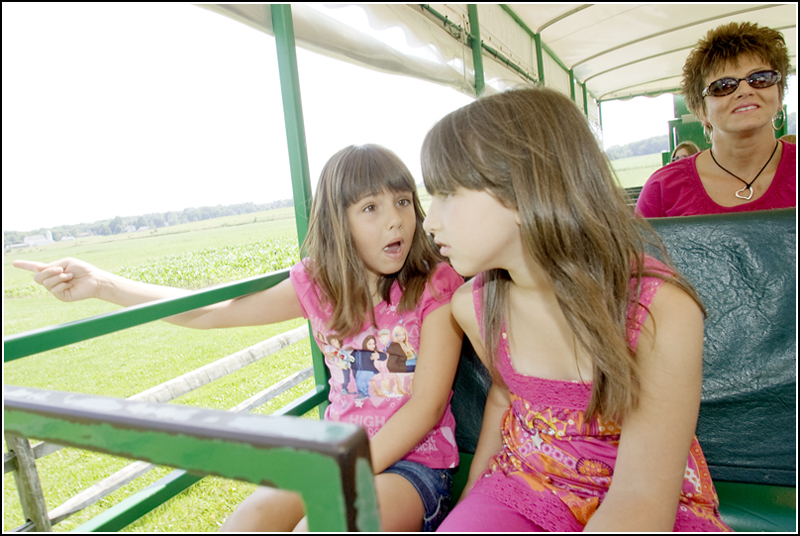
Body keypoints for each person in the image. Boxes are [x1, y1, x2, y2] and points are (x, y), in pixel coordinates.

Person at [14, 144, 464, 532]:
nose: (396, 221)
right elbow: (213, 313)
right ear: (338, 222)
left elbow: (425, 407)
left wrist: (341, 473)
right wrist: (104, 285)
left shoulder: (435, 286)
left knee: (323, 527)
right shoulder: (319, 287)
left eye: (403, 202)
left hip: (414, 465)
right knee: (246, 522)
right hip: (332, 454)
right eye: (371, 207)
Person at [421, 87, 731, 532]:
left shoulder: (659, 311)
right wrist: (470, 500)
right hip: (528, 484)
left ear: (525, 193)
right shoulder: (472, 307)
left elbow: (642, 499)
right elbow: (506, 396)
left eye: (447, 193)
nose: (430, 221)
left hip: (646, 495)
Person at [636, 22, 795, 217]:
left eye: (760, 78)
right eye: (723, 86)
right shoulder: (662, 190)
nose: (745, 91)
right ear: (700, 109)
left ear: (780, 93)